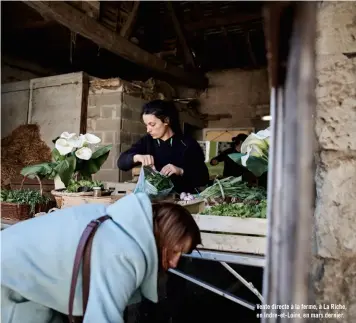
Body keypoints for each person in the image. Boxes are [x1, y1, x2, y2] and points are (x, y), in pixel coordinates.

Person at [1, 193, 201, 323]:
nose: (175, 262)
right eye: (174, 251)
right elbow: (102, 318)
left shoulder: (120, 222)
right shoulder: (123, 252)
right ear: (163, 235)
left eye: (180, 255)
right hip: (7, 283)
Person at [117, 100, 210, 193]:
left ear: (166, 120)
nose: (148, 130)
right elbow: (121, 163)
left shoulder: (187, 144)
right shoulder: (147, 141)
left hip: (183, 199)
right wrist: (136, 157)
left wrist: (180, 170)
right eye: (146, 125)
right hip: (156, 198)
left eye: (152, 124)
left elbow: (203, 177)